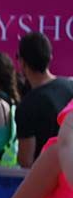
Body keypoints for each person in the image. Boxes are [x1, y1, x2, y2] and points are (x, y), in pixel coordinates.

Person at [16, 31, 73, 168]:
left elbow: (26, 161)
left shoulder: (26, 107)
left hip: (49, 183)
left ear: (22, 63)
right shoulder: (70, 86)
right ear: (50, 57)